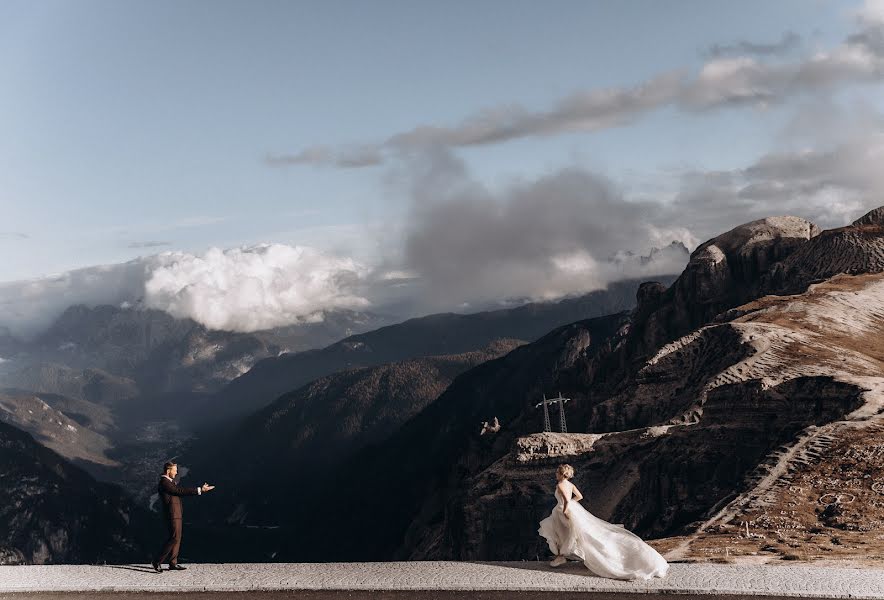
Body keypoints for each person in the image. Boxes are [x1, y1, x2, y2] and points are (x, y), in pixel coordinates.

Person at [538, 463, 668, 580]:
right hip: (571, 509)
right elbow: (579, 496)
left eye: (557, 472)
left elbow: (566, 500)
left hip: (563, 511)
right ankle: (563, 556)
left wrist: (566, 509)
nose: (555, 474)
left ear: (561, 474)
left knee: (565, 533)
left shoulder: (560, 485)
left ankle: (562, 556)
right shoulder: (571, 485)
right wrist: (572, 505)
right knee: (575, 533)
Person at [151, 460, 215, 573]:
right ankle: (157, 561)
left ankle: (173, 563)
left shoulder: (169, 481)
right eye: (175, 471)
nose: (176, 473)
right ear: (168, 470)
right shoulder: (165, 482)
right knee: (174, 537)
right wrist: (199, 490)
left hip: (176, 514)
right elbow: (179, 491)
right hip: (172, 514)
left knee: (177, 538)